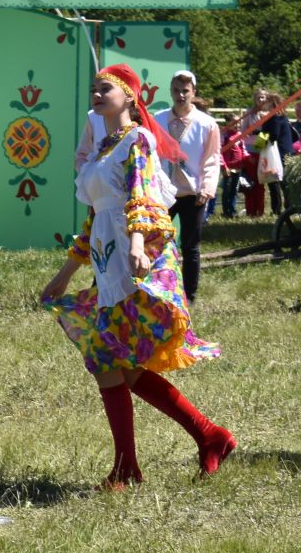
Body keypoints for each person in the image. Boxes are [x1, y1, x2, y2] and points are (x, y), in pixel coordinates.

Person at [42, 63, 234, 489]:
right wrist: (66, 273)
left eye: (105, 88)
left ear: (129, 97)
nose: (95, 93)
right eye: (93, 88)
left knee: (109, 361)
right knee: (115, 365)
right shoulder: (104, 146)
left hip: (135, 263)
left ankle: (132, 467)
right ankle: (207, 436)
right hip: (108, 263)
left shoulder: (137, 141)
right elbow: (96, 217)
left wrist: (134, 245)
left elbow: (142, 196)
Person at [163, 71, 220, 302]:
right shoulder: (158, 119)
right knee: (155, 242)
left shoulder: (206, 124)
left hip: (193, 193)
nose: (181, 95)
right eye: (176, 90)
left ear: (193, 93)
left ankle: (189, 295)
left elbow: (212, 158)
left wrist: (206, 188)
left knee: (190, 245)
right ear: (171, 91)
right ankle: (157, 289)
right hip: (163, 192)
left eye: (185, 91)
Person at [250, 87, 294, 217]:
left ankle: (283, 209)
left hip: (280, 154)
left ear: (272, 103)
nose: (264, 104)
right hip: (279, 152)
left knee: (279, 182)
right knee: (275, 182)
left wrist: (257, 134)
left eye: (267, 101)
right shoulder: (275, 117)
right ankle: (279, 209)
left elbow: (273, 135)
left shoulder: (275, 117)